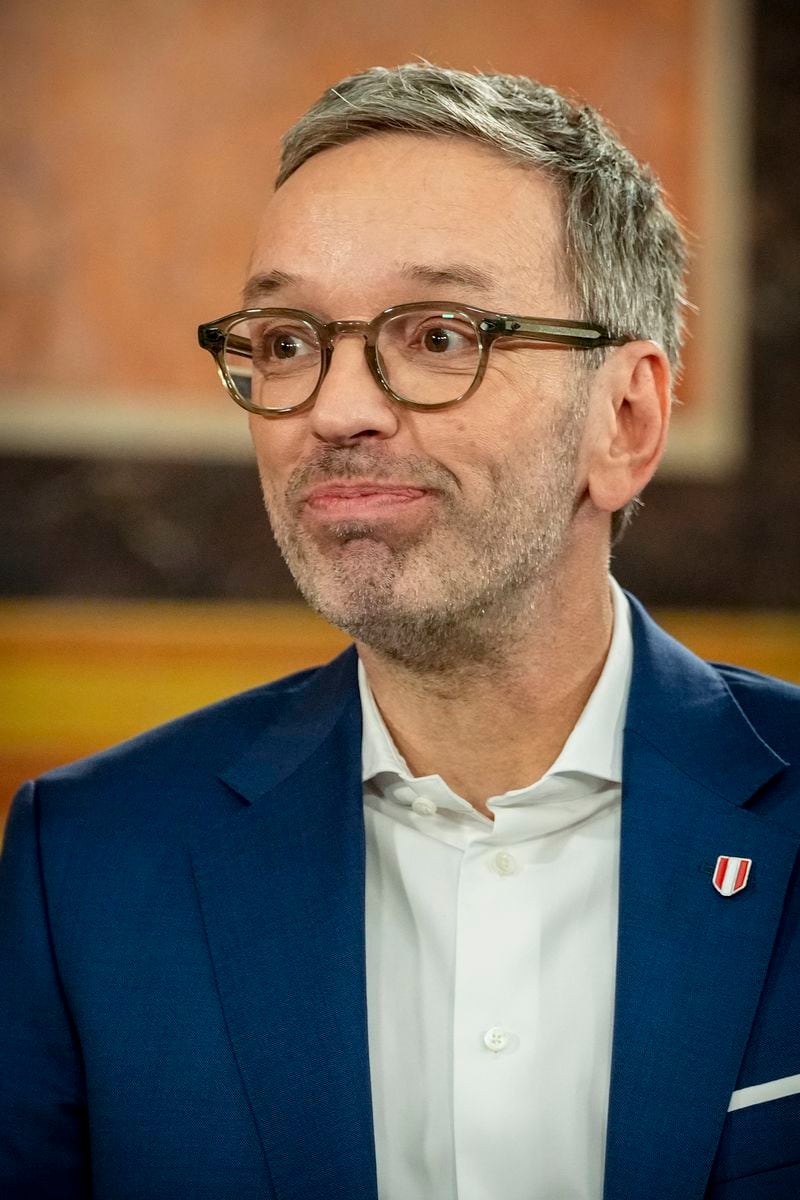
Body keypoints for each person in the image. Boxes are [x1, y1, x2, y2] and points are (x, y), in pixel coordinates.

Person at [1, 63, 798, 1200]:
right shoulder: (86, 863)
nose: (334, 409)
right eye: (284, 341)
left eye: (436, 334)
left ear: (623, 419)